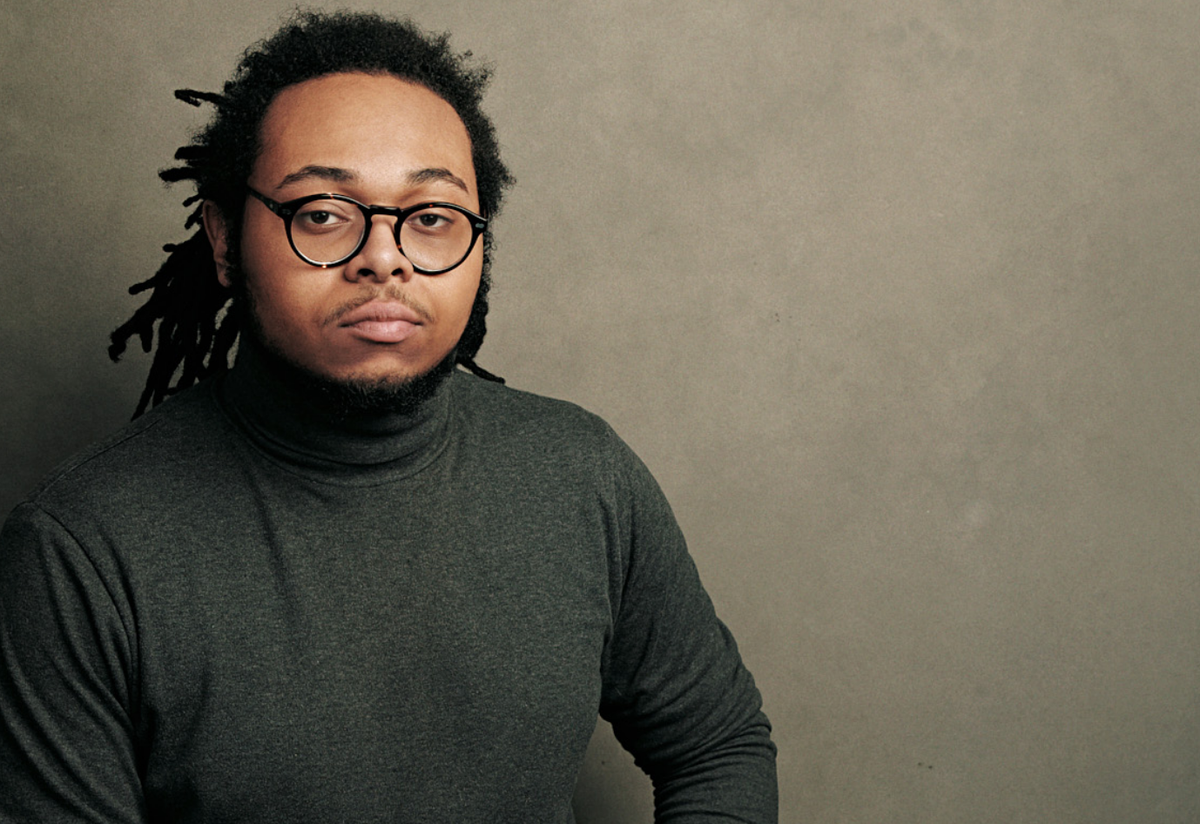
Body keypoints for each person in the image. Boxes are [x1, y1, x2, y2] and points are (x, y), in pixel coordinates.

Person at [0, 10, 777, 822]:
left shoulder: (582, 474)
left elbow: (717, 745)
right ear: (225, 241)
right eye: (322, 212)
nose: (385, 257)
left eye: (431, 218)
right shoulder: (79, 551)